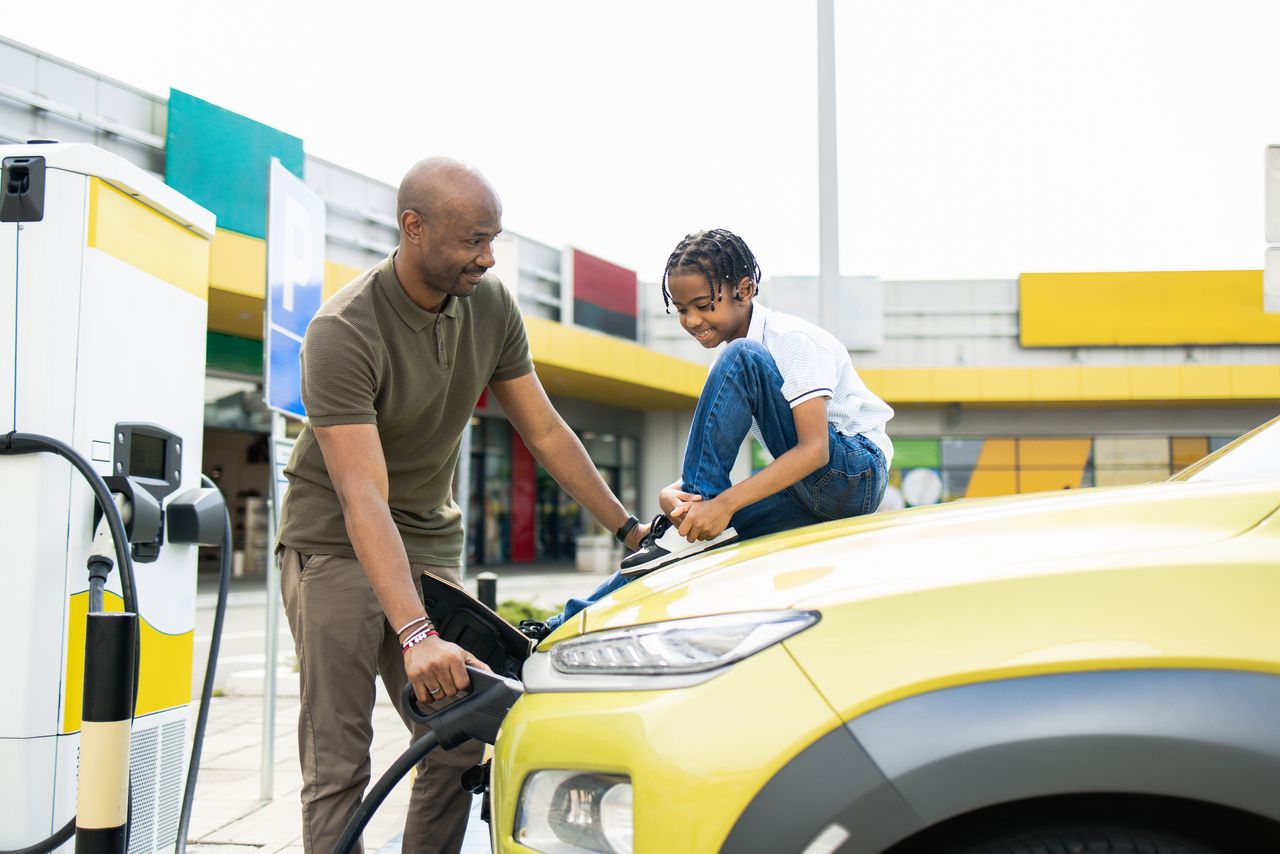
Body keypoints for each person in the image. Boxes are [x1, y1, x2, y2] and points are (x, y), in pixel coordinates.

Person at [274, 157, 649, 854]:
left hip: (429, 545)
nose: (488, 256)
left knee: (458, 734)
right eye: (473, 239)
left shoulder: (491, 304)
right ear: (414, 229)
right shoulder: (343, 331)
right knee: (338, 760)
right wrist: (416, 636)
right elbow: (363, 496)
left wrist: (628, 530)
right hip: (335, 544)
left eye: (493, 238)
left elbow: (543, 430)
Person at [531, 228, 892, 637]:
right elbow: (723, 450)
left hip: (852, 473)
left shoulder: (785, 343)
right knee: (686, 548)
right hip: (811, 491)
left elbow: (815, 452)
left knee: (739, 361)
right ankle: (554, 630)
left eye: (703, 305)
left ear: (745, 288)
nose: (691, 321)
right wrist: (677, 495)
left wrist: (720, 504)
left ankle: (692, 514)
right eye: (681, 309)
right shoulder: (736, 366)